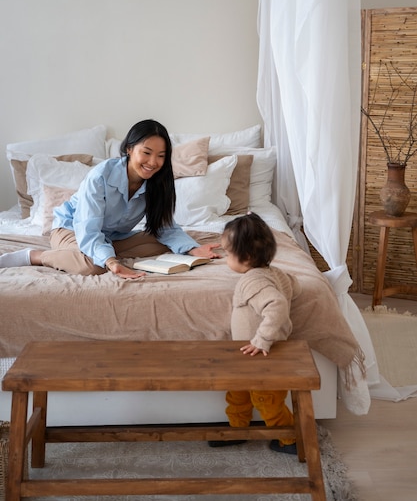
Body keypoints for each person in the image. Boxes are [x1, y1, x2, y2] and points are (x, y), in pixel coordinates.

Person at [208, 212, 366, 455]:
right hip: (247, 357)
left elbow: (278, 305)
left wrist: (262, 339)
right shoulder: (275, 272)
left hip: (263, 355)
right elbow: (295, 286)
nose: (226, 258)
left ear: (247, 257)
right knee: (237, 392)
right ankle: (237, 428)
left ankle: (290, 437)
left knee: (266, 398)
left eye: (228, 254)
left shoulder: (253, 281)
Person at [0, 119, 220, 278]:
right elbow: (88, 229)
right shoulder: (100, 176)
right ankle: (37, 256)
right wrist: (112, 262)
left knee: (165, 243)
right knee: (94, 266)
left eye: (161, 156)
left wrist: (192, 249)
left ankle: (103, 251)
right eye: (146, 152)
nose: (153, 162)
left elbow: (164, 226)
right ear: (129, 149)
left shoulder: (157, 181)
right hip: (71, 229)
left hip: (113, 236)